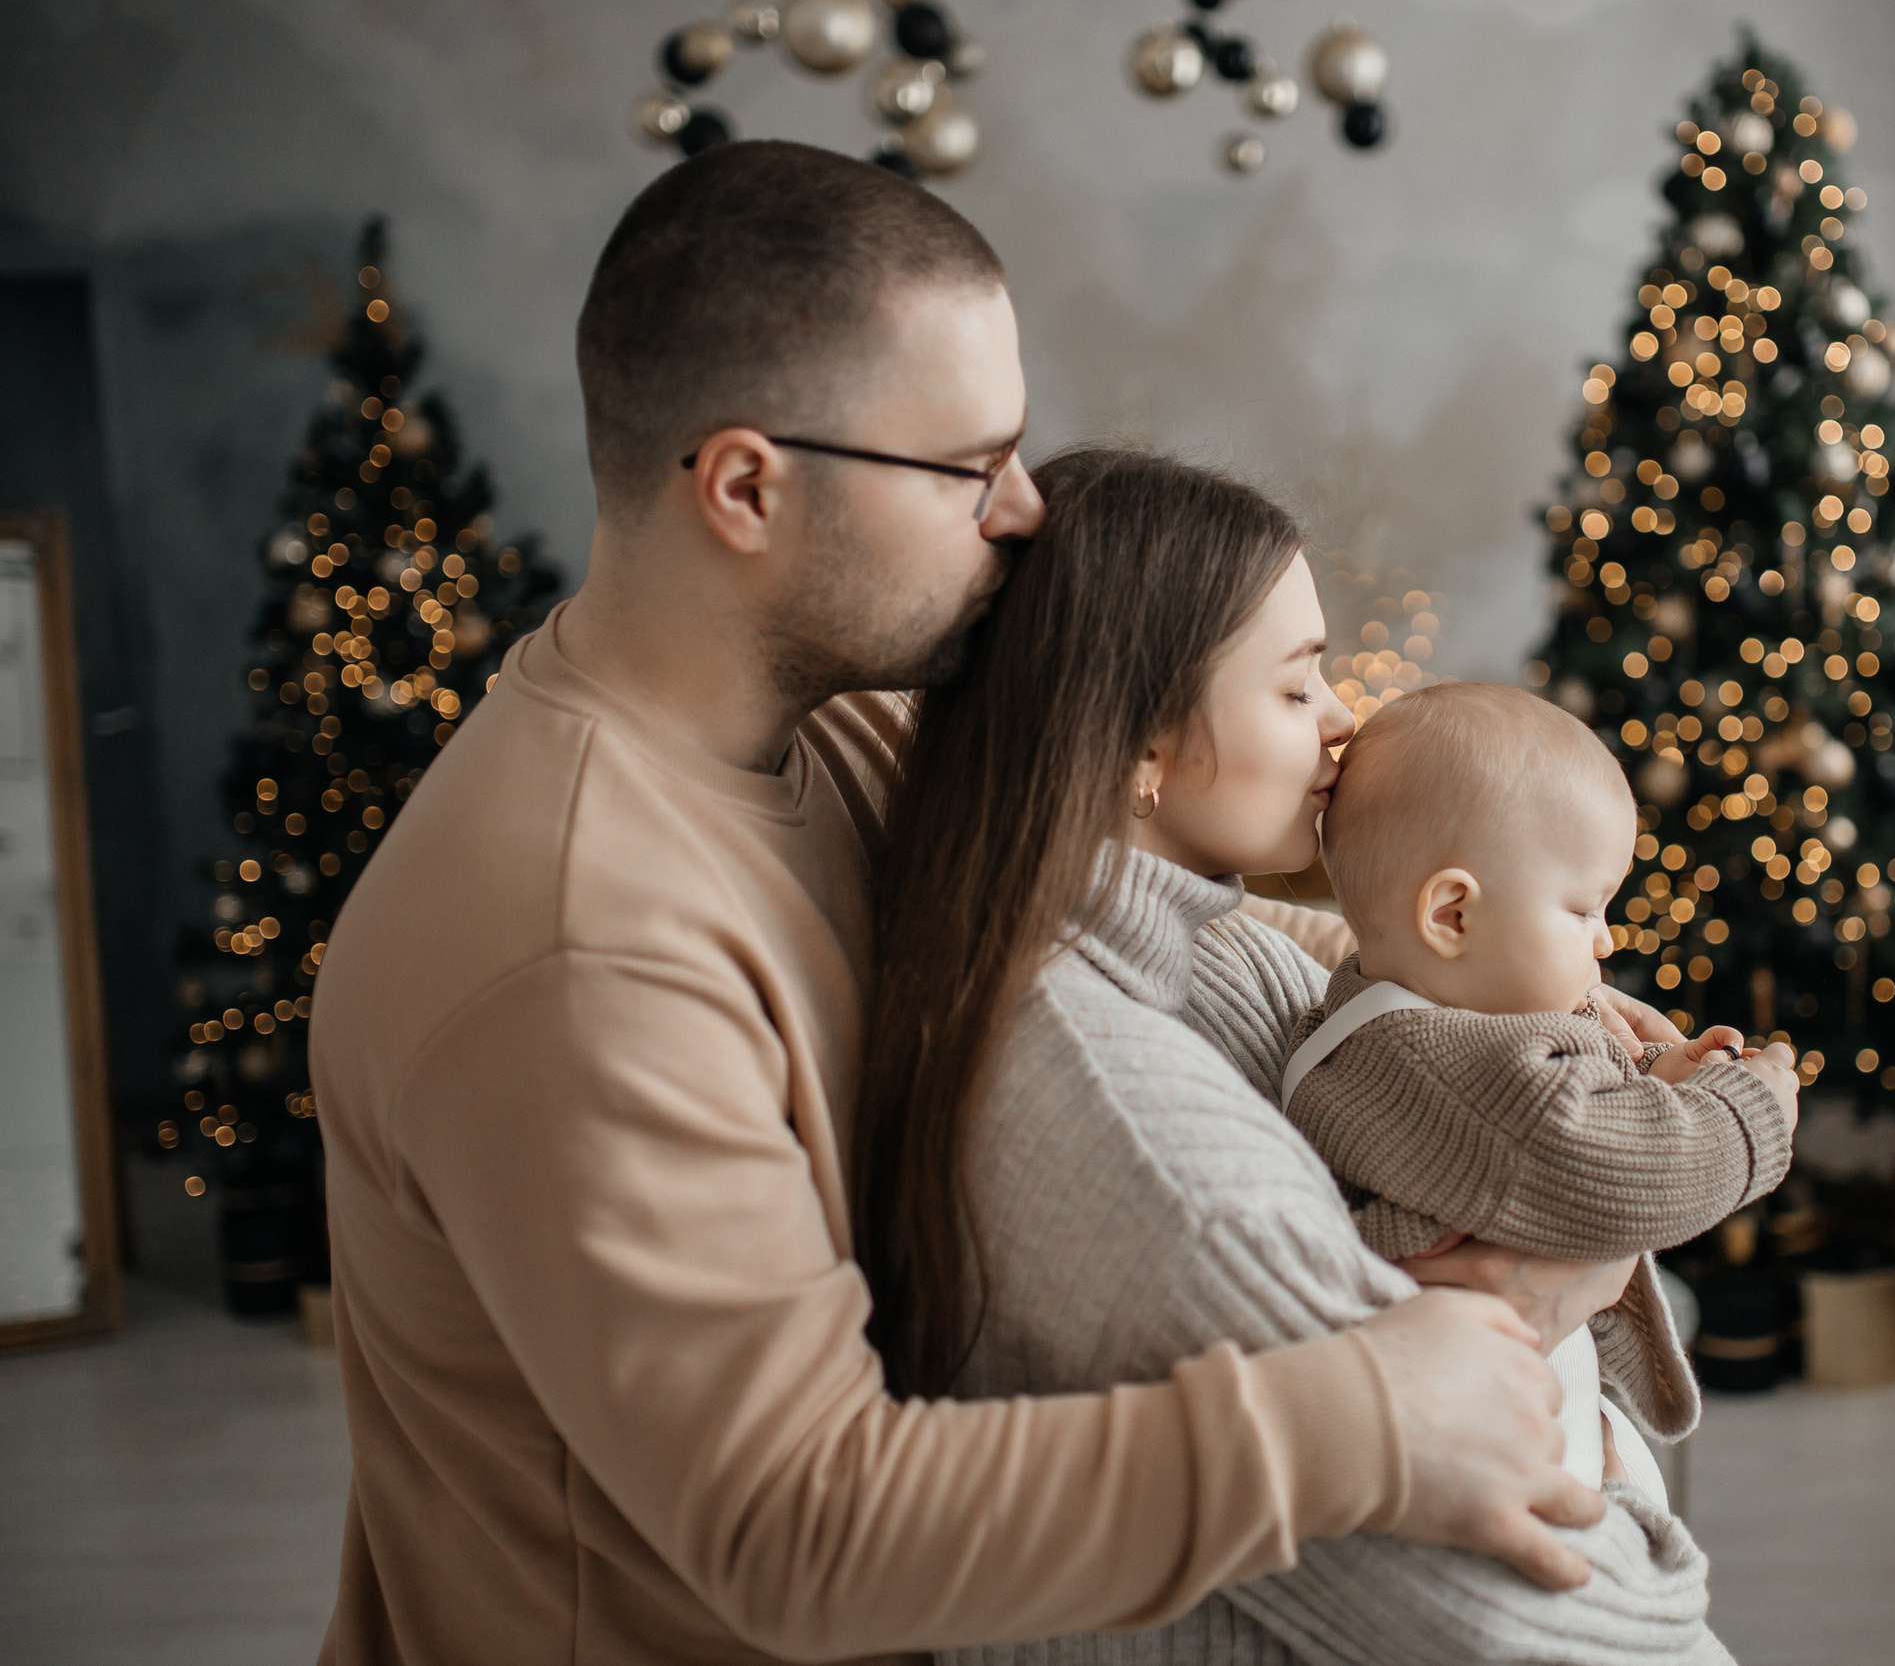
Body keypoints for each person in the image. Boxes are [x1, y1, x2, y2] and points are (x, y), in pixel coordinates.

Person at [309, 141, 1604, 1666]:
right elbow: (801, 1525)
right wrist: (1363, 1411)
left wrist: (1531, 1040)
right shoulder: (577, 940)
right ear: (744, 486)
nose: (1024, 510)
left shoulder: (839, 730)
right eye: (964, 464)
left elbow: (1193, 931)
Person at [861, 447, 1799, 1665]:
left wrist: (1587, 1017)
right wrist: (1622, 1481)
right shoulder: (1144, 1140)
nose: (1346, 718)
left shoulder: (1191, 950)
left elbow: (1404, 995)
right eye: (1298, 687)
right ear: (1142, 748)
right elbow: (1553, 1628)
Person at [1282, 680, 1799, 1506]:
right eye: (1584, 907)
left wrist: (1645, 1077)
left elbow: (1534, 1125)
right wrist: (1754, 1108)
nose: (1605, 938)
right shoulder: (1445, 1062)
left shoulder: (1376, 1009)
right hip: (1506, 1455)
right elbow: (1630, 1167)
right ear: (1452, 915)